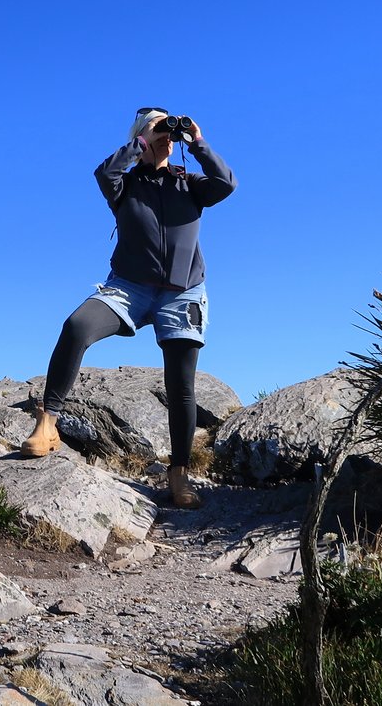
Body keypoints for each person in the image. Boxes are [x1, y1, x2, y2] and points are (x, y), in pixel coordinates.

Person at [21, 108, 238, 509]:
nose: (165, 138)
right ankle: (48, 423)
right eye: (157, 131)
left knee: (181, 384)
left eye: (168, 134)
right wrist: (141, 142)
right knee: (77, 326)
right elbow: (104, 174)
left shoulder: (187, 183)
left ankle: (179, 473)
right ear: (139, 137)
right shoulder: (125, 184)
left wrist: (198, 141)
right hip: (129, 287)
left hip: (184, 291)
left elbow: (226, 183)